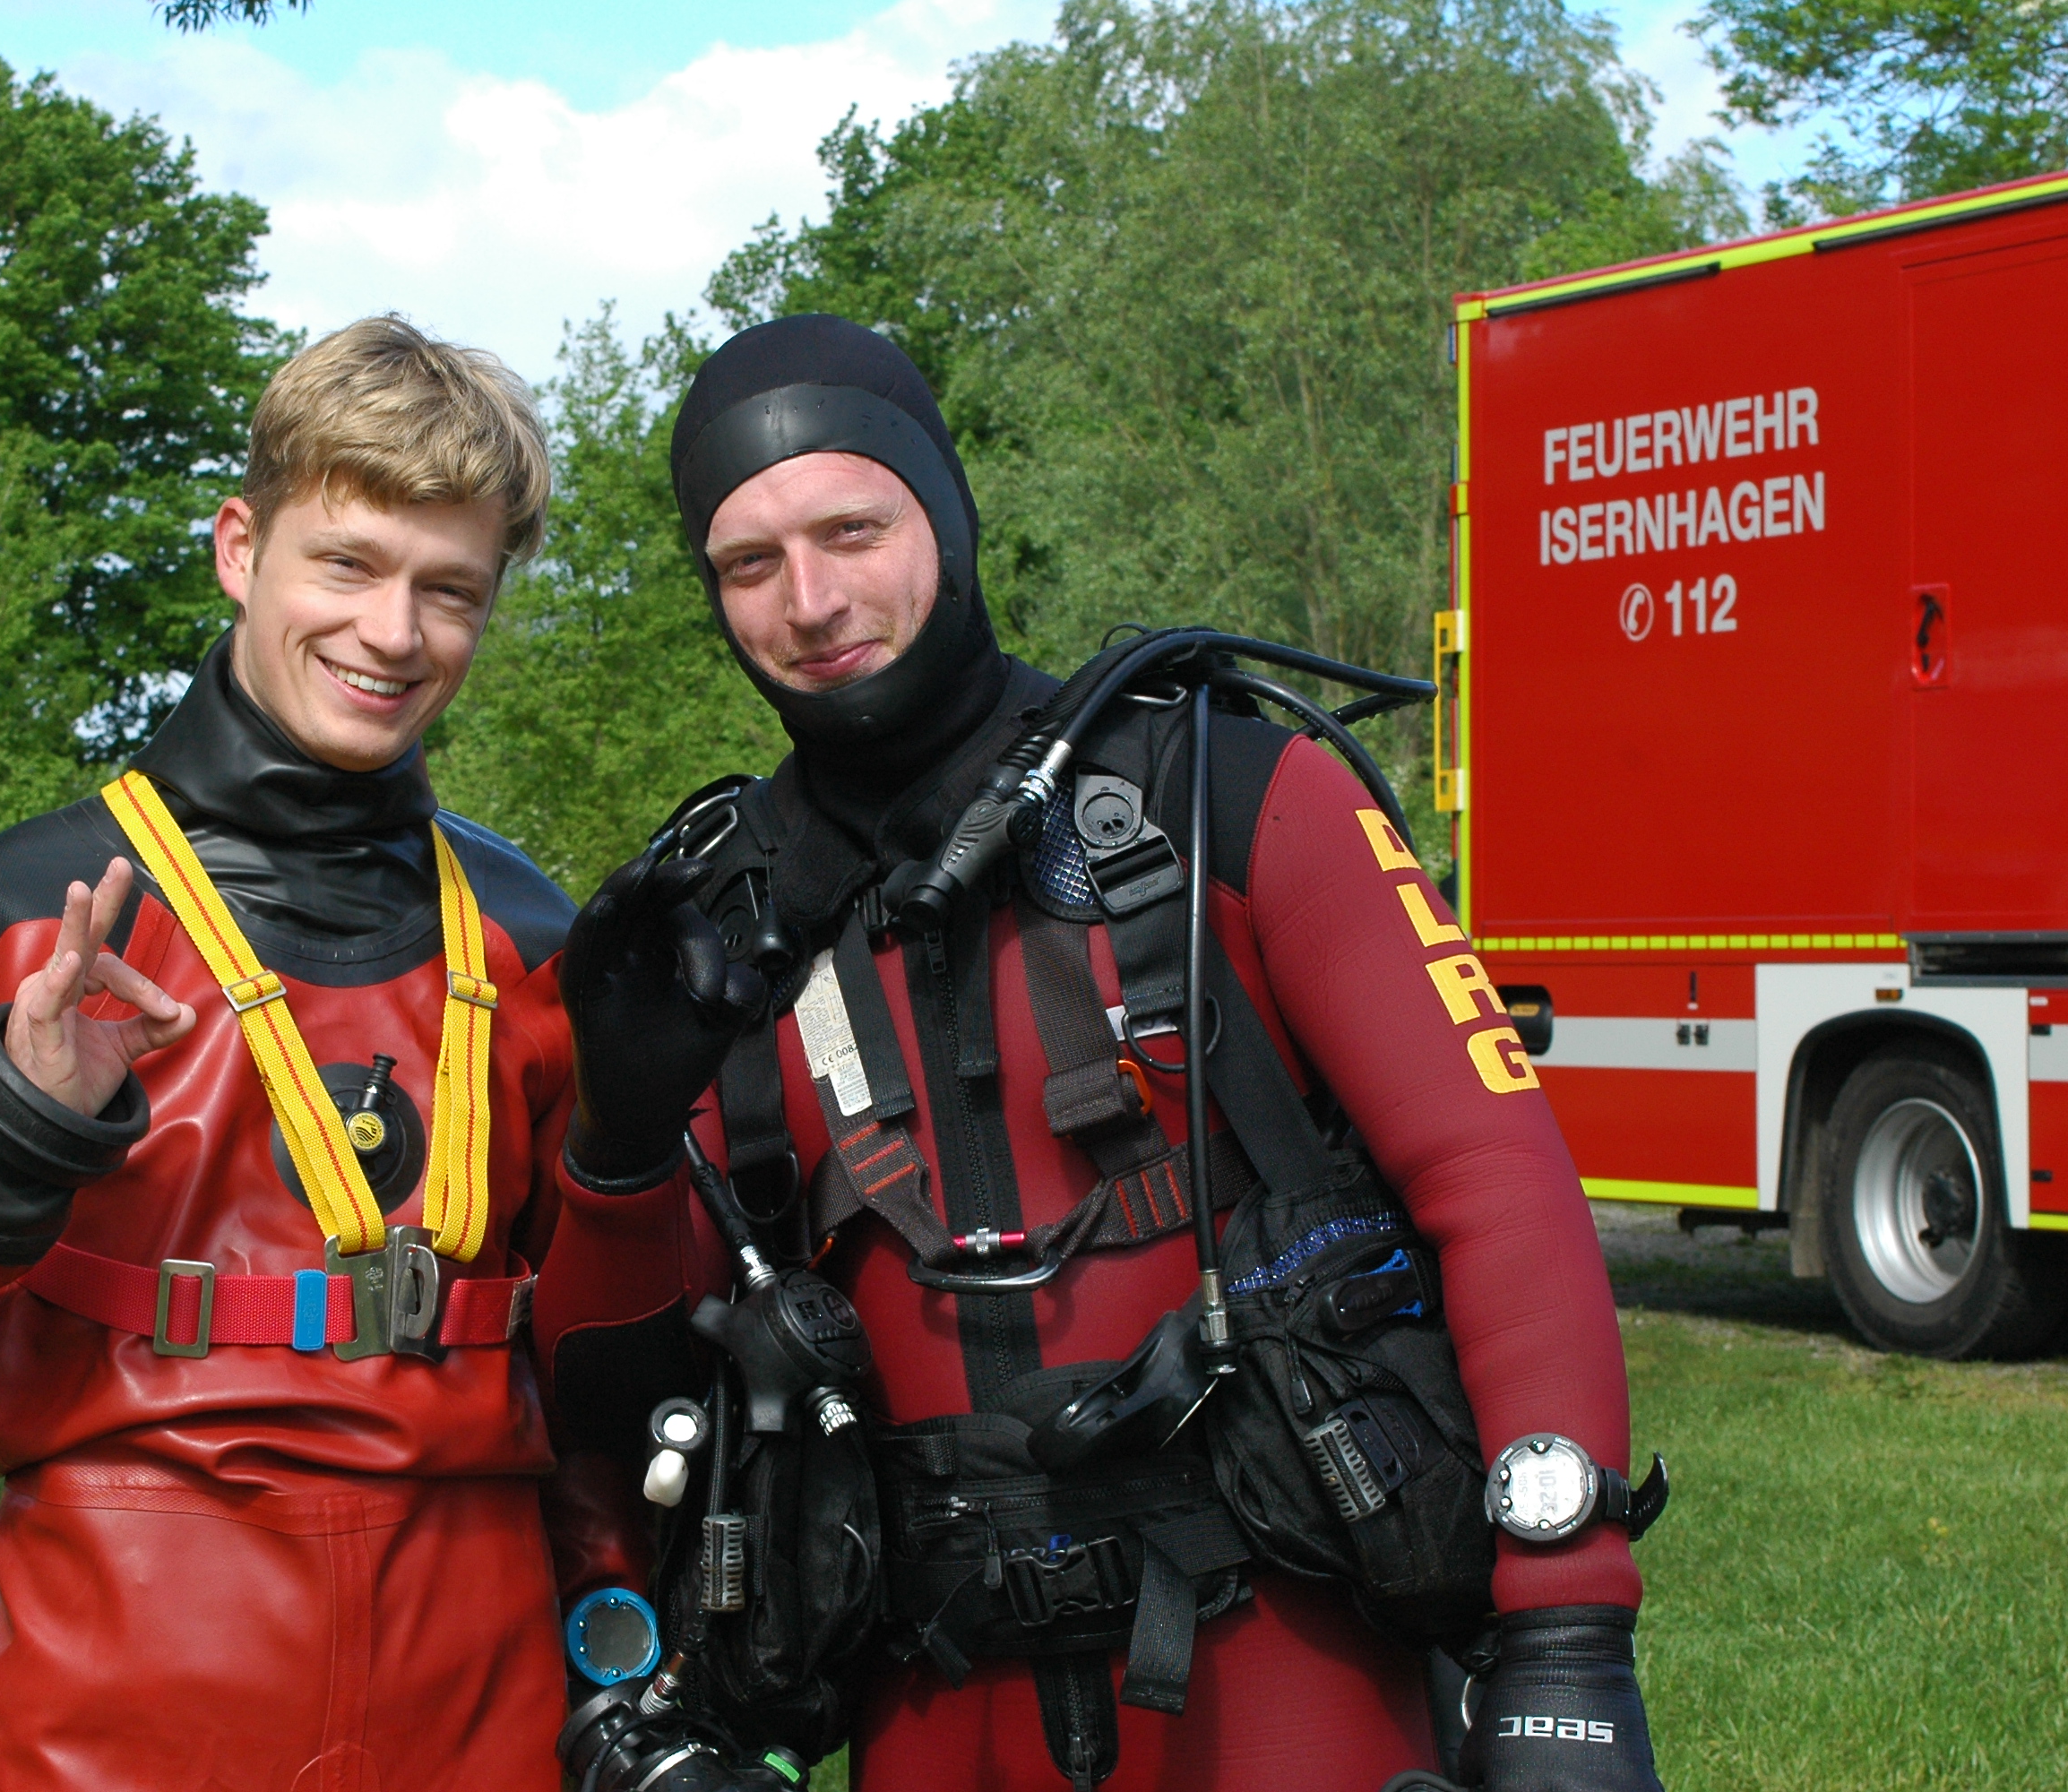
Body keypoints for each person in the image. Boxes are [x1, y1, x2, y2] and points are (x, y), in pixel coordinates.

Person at [552, 315, 1663, 1791]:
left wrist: (1567, 1636)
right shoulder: (723, 937)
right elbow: (608, 1400)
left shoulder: (1228, 793)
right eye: (749, 565)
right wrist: (616, 1146)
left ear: (945, 518)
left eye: (854, 529)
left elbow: (1496, 1175)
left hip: (1282, 1674)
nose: (812, 600)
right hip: (931, 1697)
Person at [0, 316, 674, 1791]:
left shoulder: (531, 935)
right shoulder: (19, 914)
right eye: (346, 564)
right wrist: (5, 1134)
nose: (392, 636)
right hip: (128, 1692)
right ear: (238, 548)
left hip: (483, 1693)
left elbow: (608, 1359)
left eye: (448, 590)